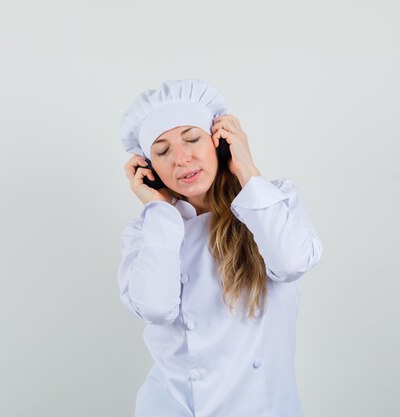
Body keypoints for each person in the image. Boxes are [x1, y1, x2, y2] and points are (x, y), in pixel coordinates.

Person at [117, 78, 323, 417]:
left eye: (192, 138)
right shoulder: (148, 230)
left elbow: (291, 263)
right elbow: (155, 308)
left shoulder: (272, 200)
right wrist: (160, 212)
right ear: (149, 168)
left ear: (219, 142)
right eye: (163, 151)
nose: (181, 159)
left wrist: (248, 170)